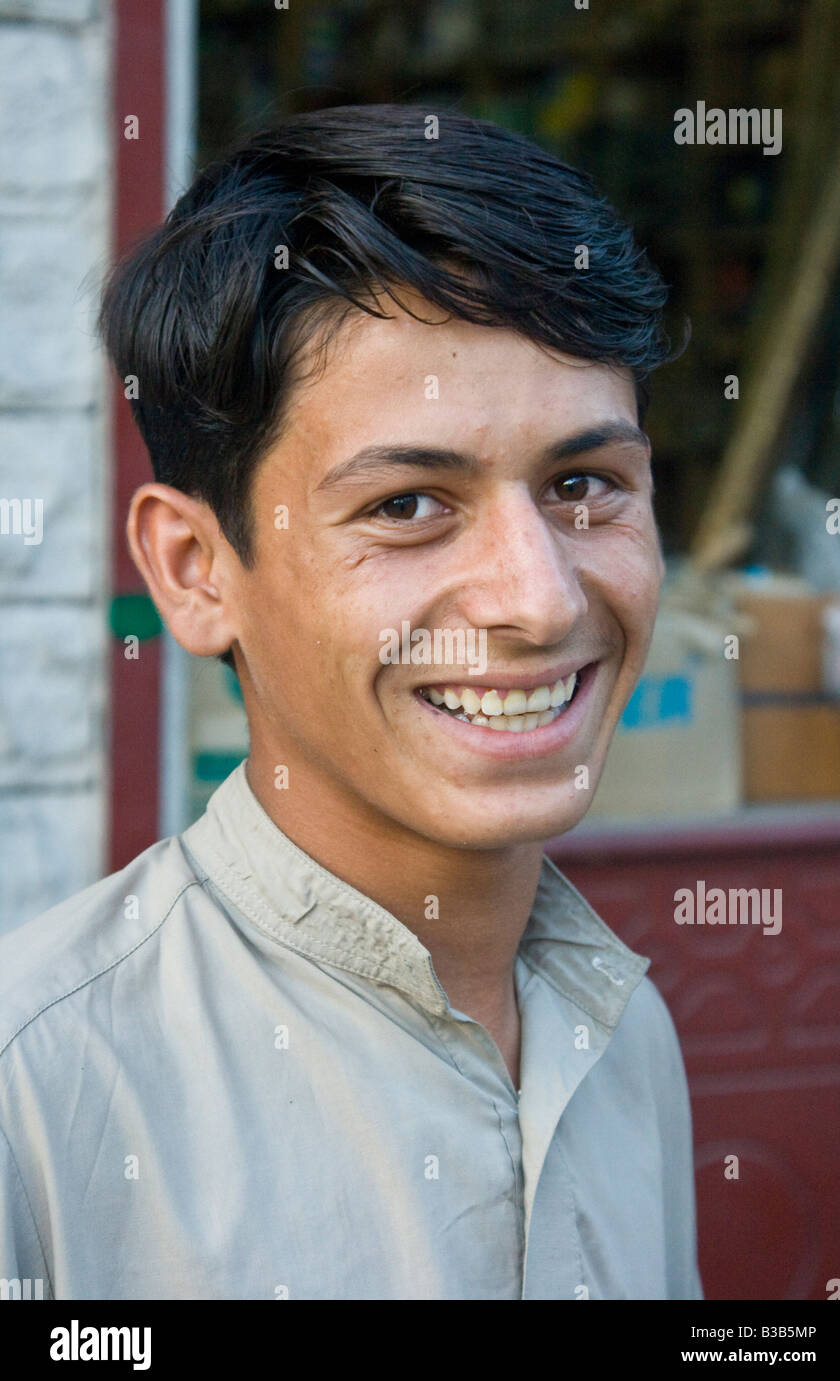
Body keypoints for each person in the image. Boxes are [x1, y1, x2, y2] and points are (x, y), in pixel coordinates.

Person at [0, 105, 701, 1300]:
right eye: (407, 504)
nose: (536, 600)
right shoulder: (38, 1093)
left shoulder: (622, 1033)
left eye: (584, 484)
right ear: (194, 568)